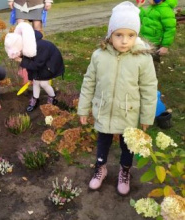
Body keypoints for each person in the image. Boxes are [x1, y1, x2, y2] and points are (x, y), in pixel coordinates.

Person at [77, 1, 157, 195]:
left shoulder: (143, 59)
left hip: (128, 112)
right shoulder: (99, 56)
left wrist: (147, 117)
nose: (124, 41)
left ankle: (125, 170)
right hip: (104, 109)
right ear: (110, 34)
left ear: (136, 35)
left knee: (127, 145)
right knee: (102, 141)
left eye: (130, 35)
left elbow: (148, 88)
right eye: (118, 35)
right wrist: (83, 108)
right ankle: (101, 167)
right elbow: (89, 82)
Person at [4, 22, 64, 112]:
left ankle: (52, 97)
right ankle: (35, 99)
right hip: (40, 64)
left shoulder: (40, 47)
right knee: (36, 82)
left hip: (49, 65)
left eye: (19, 52)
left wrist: (21, 60)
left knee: (43, 84)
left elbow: (37, 64)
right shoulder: (27, 46)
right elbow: (32, 63)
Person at [137, 0, 177, 71]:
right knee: (143, 60)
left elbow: (170, 29)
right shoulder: (151, 7)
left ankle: (153, 79)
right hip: (144, 39)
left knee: (152, 63)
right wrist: (140, 7)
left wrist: (165, 46)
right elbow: (144, 18)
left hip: (154, 43)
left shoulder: (165, 10)